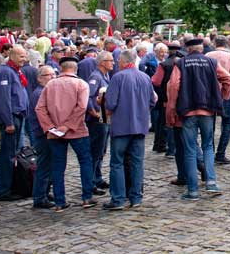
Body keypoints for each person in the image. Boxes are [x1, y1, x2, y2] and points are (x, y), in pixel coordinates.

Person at [168, 38, 230, 199]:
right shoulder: (211, 62)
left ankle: (193, 190)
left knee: (190, 150)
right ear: (201, 49)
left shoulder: (181, 64)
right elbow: (229, 79)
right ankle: (211, 182)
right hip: (208, 111)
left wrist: (171, 110)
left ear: (188, 50)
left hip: (187, 111)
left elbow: (174, 86)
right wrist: (222, 97)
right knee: (208, 147)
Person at [35, 56, 97, 211]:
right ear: (75, 69)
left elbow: (39, 109)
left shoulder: (50, 85)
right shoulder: (81, 84)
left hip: (55, 132)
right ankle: (87, 197)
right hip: (77, 130)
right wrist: (67, 126)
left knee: (58, 165)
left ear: (61, 69)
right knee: (85, 161)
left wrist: (50, 127)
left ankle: (59, 201)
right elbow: (82, 107)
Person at [101, 48, 157, 210]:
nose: (117, 63)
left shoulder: (117, 78)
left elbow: (110, 104)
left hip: (121, 126)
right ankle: (136, 197)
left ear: (124, 61)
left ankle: (118, 199)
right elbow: (152, 101)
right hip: (139, 125)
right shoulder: (145, 77)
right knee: (137, 163)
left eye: (118, 61)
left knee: (117, 162)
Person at [0, 45, 30, 201]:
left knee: (13, 154)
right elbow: (4, 99)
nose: (24, 59)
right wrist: (8, 122)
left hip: (18, 116)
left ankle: (8, 186)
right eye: (21, 56)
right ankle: (3, 190)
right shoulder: (5, 73)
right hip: (12, 117)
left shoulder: (15, 71)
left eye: (25, 56)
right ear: (12, 55)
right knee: (8, 155)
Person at [28, 66, 56, 209]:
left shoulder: (45, 91)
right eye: (48, 75)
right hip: (42, 134)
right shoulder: (39, 93)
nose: (52, 77)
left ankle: (44, 191)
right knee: (44, 166)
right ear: (39, 78)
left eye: (53, 74)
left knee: (48, 165)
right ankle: (40, 197)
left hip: (46, 133)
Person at [207, 37, 230, 165]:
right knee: (227, 122)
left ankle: (210, 150)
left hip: (209, 93)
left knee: (210, 123)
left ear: (215, 44)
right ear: (226, 44)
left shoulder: (208, 55)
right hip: (226, 93)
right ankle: (220, 153)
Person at [86, 51, 113, 194]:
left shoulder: (105, 76)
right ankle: (90, 182)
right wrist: (92, 111)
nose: (113, 63)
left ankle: (97, 178)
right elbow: (88, 96)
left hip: (104, 118)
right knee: (95, 151)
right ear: (102, 62)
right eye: (110, 60)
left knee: (101, 150)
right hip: (97, 120)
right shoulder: (95, 77)